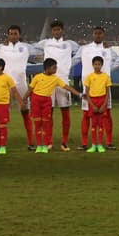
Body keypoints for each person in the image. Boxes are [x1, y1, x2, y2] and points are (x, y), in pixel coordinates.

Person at [31, 20, 80, 152]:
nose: (56, 32)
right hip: (48, 83)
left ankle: (64, 142)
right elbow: (31, 48)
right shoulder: (46, 43)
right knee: (49, 114)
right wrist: (7, 44)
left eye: (58, 29)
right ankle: (49, 141)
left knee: (65, 113)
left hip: (63, 81)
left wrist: (69, 65)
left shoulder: (70, 44)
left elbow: (83, 51)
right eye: (54, 30)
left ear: (62, 30)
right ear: (51, 31)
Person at [0, 25, 36, 150]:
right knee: (3, 114)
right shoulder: (1, 47)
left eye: (15, 33)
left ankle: (31, 142)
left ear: (19, 35)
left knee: (25, 111)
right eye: (11, 33)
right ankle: (0, 143)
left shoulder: (26, 47)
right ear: (8, 35)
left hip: (21, 84)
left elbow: (40, 49)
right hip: (4, 84)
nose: (13, 36)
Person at [28, 58, 82, 153]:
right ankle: (39, 145)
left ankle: (45, 145)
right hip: (36, 101)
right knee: (37, 124)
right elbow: (30, 89)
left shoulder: (55, 78)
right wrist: (24, 99)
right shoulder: (37, 77)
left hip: (46, 102)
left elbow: (66, 87)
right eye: (54, 67)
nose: (56, 69)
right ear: (47, 68)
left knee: (45, 124)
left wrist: (79, 94)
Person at [79, 26, 117, 150]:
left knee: (106, 115)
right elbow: (73, 60)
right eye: (96, 33)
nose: (98, 35)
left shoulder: (109, 50)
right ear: (92, 34)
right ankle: (84, 143)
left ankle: (108, 142)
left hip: (104, 89)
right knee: (86, 115)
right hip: (88, 88)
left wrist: (108, 71)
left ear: (103, 35)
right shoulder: (84, 49)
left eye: (100, 33)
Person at [83, 55, 113, 153]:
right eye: (95, 64)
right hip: (93, 101)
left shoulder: (106, 77)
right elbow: (87, 92)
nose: (97, 66)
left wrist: (104, 104)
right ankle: (93, 145)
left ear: (102, 65)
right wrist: (92, 105)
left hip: (102, 100)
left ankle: (100, 145)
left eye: (99, 64)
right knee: (93, 124)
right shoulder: (89, 77)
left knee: (101, 124)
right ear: (92, 65)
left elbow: (107, 92)